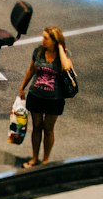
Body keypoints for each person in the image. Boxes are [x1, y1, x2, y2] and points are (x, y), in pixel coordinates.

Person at [18, 25, 74, 169]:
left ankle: (46, 160)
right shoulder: (38, 52)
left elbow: (67, 67)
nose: (43, 40)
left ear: (55, 41)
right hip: (36, 95)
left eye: (46, 38)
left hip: (54, 99)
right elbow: (31, 70)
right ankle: (35, 157)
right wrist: (22, 87)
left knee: (48, 129)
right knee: (36, 127)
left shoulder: (64, 55)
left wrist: (61, 48)